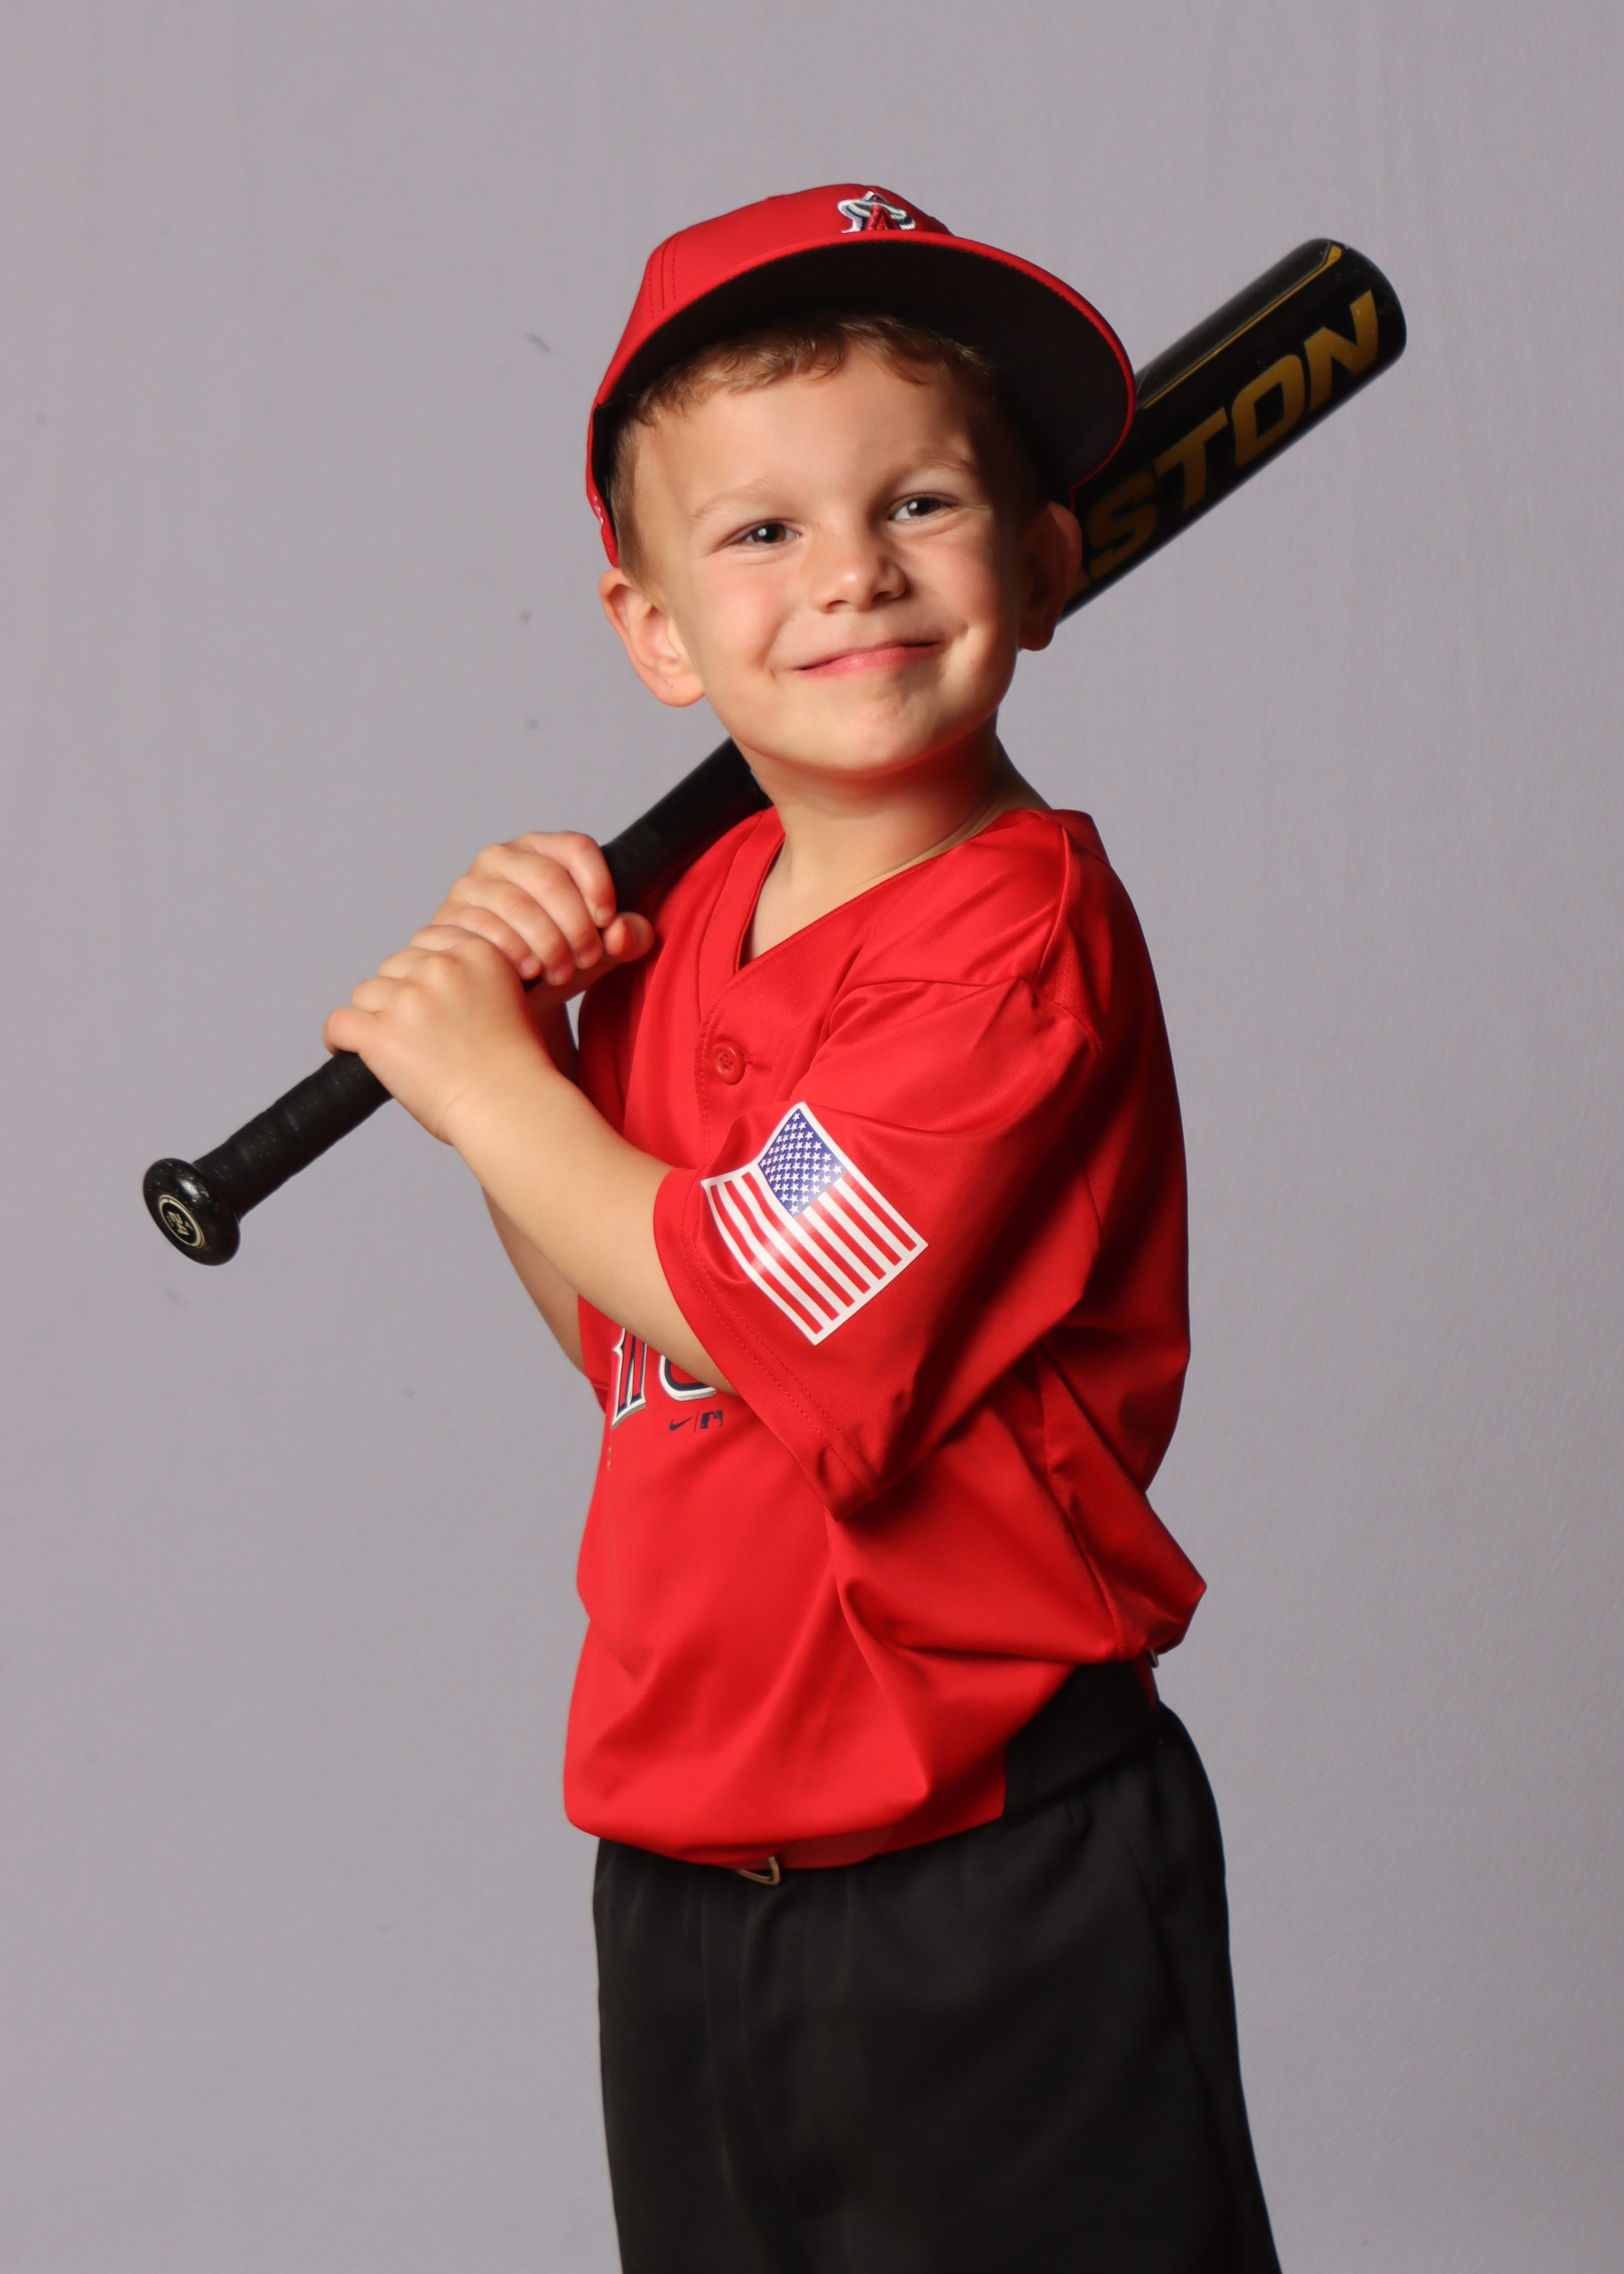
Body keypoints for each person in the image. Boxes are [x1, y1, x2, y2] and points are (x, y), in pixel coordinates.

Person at [325, 183, 1281, 2274]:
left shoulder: (1011, 942)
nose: (852, 568)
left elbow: (767, 1304)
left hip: (983, 1864)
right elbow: (637, 1336)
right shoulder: (694, 930)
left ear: (1046, 561)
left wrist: (482, 1084)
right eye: (761, 530)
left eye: (919, 502)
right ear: (657, 629)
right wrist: (533, 1070)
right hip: (688, 1860)